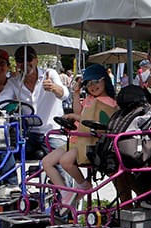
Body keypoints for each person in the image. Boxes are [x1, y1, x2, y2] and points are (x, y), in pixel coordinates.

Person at [41, 64, 117, 208]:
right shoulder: (90, 99)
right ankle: (65, 193)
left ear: (104, 80)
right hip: (77, 139)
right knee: (46, 162)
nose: (92, 86)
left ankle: (83, 185)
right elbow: (81, 113)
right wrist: (76, 94)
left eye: (96, 81)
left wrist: (74, 116)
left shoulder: (109, 103)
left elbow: (97, 122)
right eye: (88, 84)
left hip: (89, 141)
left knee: (66, 161)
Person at [0, 45, 67, 153]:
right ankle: (11, 171)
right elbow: (0, 102)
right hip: (28, 134)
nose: (24, 63)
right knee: (3, 151)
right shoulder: (14, 82)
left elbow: (65, 94)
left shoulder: (49, 74)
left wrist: (53, 88)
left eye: (28, 58)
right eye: (20, 60)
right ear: (17, 63)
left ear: (36, 60)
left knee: (61, 163)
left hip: (51, 132)